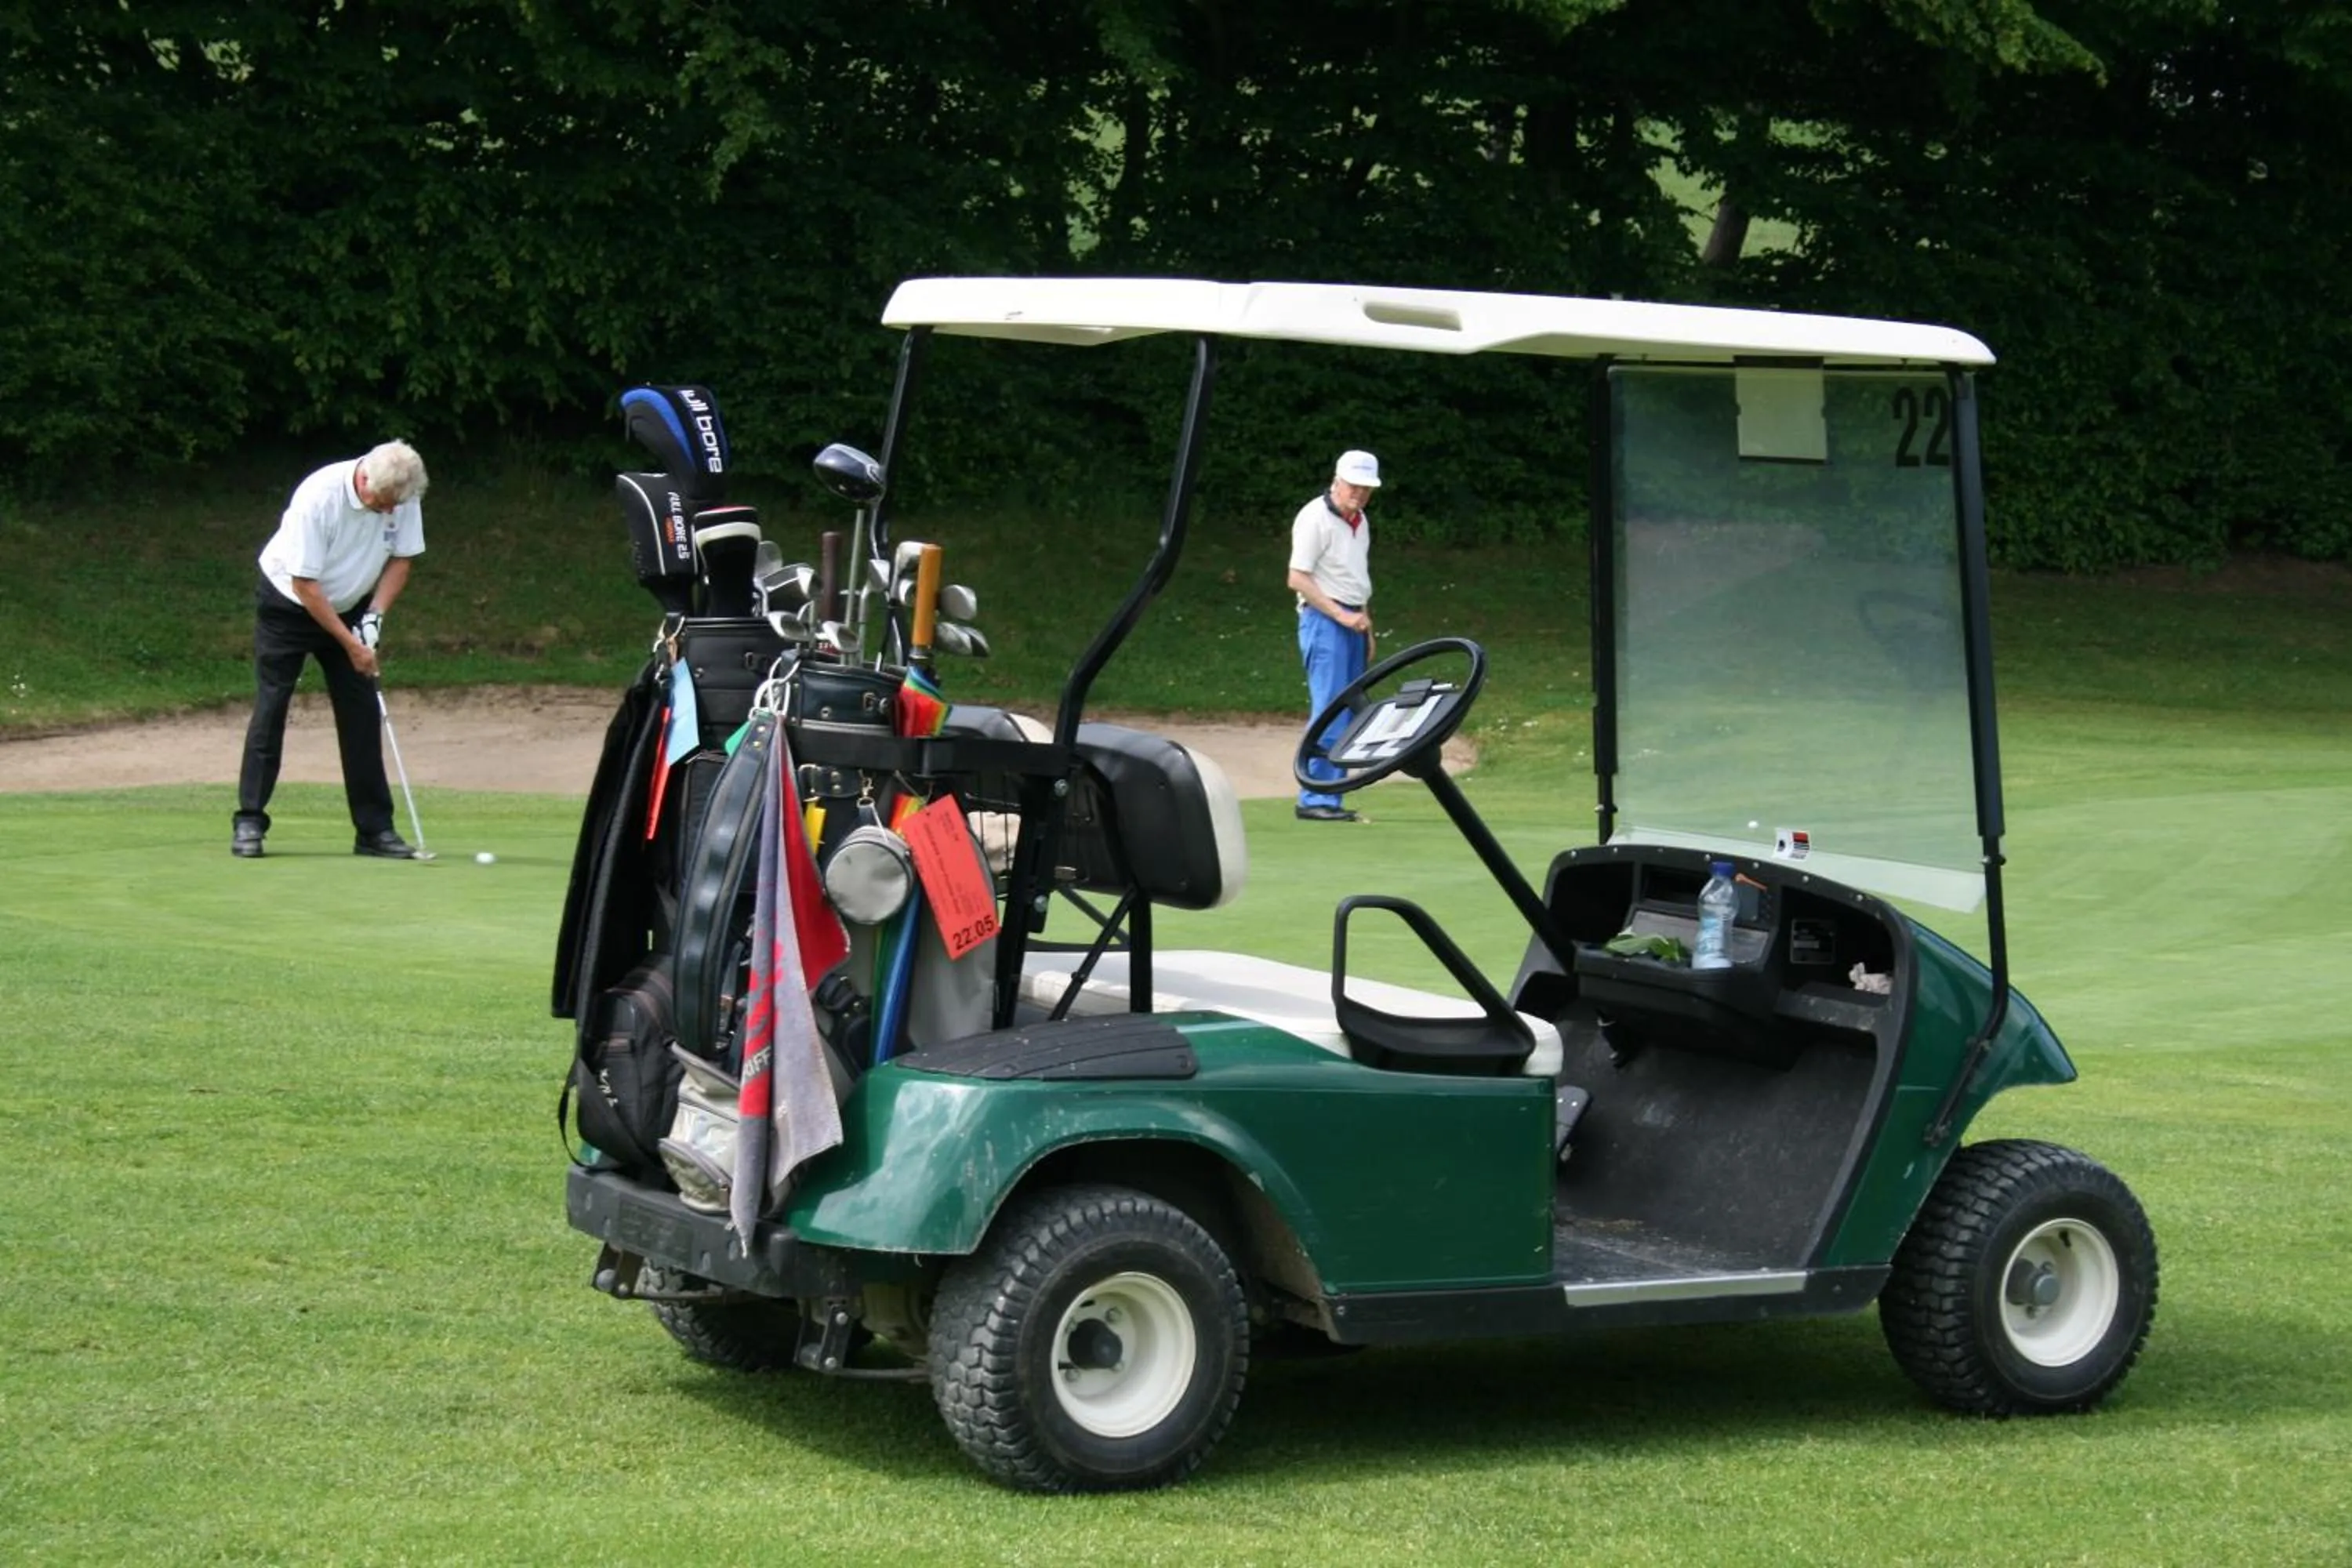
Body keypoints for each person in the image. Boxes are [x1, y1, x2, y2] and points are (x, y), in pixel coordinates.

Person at [231, 441, 430, 858]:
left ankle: (374, 831)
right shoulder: (318, 497)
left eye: (396, 504)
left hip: (351, 604)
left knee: (361, 713)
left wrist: (374, 616)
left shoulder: (401, 494)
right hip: (289, 604)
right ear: (365, 480)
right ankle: (250, 820)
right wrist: (350, 644)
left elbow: (402, 560)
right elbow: (305, 584)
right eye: (384, 502)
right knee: (272, 706)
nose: (390, 511)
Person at [1287, 448, 1378, 822]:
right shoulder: (1314, 518)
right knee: (1330, 709)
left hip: (1353, 619)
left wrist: (1366, 624)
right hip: (1325, 621)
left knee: (1351, 710)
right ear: (1337, 481)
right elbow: (1298, 578)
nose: (1359, 493)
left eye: (1366, 488)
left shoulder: (1360, 520)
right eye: (1353, 486)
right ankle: (1314, 799)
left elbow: (1356, 577)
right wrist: (1342, 615)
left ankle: (1331, 796)